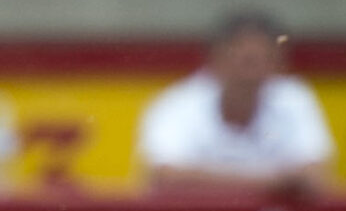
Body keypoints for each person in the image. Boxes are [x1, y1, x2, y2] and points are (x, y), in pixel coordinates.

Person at [136, 13, 335, 193]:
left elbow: (316, 177)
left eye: (260, 58)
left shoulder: (294, 98)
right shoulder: (176, 104)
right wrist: (275, 184)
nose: (249, 71)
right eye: (244, 59)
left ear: (278, 62)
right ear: (214, 59)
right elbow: (165, 178)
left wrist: (205, 181)